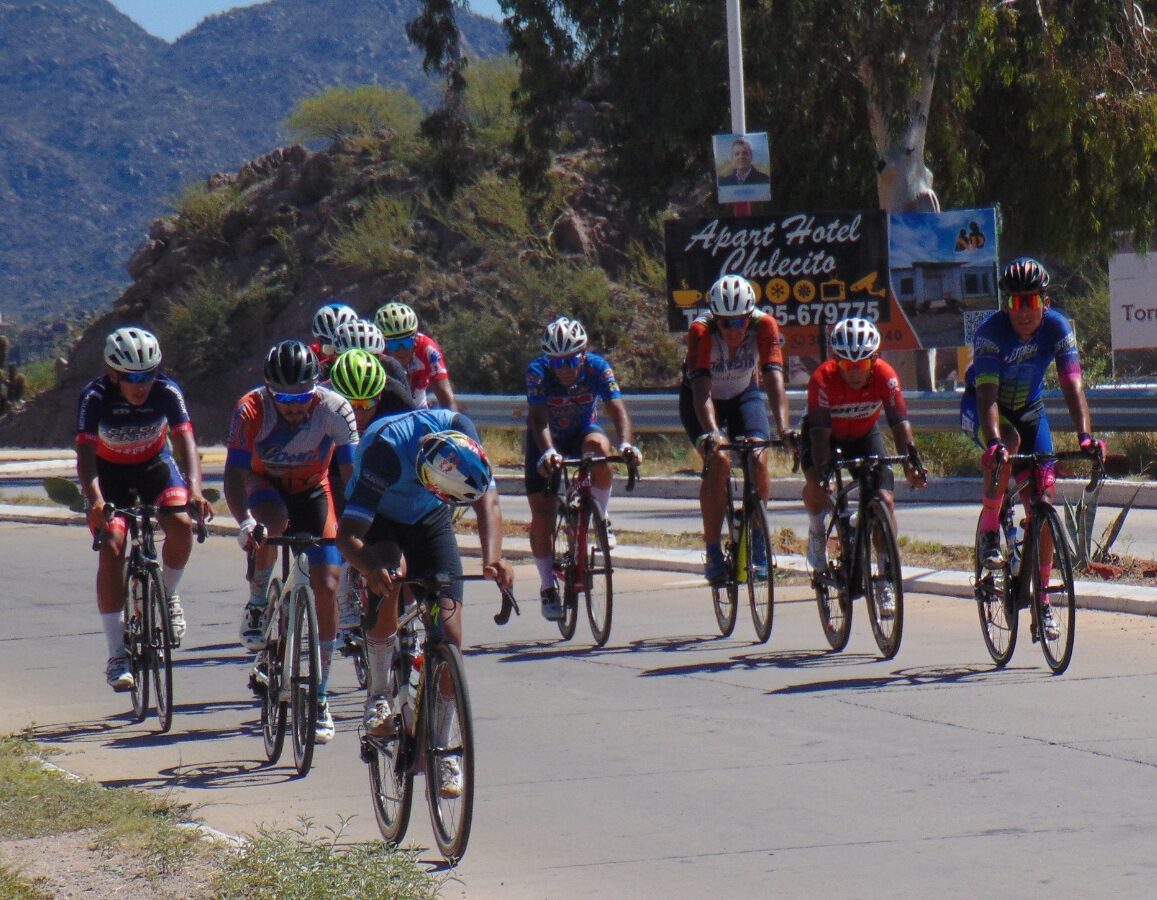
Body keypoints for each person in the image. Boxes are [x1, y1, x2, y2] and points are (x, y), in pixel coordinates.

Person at [337, 415, 514, 799]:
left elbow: (489, 502)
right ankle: (380, 693)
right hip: (378, 519)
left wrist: (494, 558)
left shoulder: (463, 432)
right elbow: (347, 535)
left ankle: (443, 746)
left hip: (429, 518)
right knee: (391, 575)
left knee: (450, 633)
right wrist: (369, 569)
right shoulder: (387, 451)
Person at [224, 339, 359, 744]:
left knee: (329, 585)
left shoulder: (335, 409)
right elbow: (233, 474)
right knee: (273, 525)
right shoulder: (250, 409)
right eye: (284, 397)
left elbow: (350, 476)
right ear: (269, 391)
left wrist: (361, 529)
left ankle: (319, 696)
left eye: (303, 395)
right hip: (265, 486)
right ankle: (259, 599)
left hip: (315, 489)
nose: (295, 405)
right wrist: (245, 521)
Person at [963, 257, 1103, 639]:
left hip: (1030, 410)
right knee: (1007, 443)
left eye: (1032, 302)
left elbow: (1073, 385)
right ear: (1005, 303)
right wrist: (992, 442)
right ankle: (991, 526)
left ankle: (1042, 601)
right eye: (1015, 302)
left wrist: (1085, 436)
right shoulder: (990, 332)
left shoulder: (1057, 327)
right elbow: (987, 394)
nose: (1023, 312)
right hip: (988, 410)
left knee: (1043, 501)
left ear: (1046, 300)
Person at [76, 327, 211, 690]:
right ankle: (116, 653)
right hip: (109, 475)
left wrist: (195, 490)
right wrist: (95, 500)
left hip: (156, 467)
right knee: (113, 545)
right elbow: (85, 456)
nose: (142, 384)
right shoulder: (95, 396)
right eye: (133, 377)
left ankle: (166, 595)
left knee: (180, 525)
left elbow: (186, 441)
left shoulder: (167, 390)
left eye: (148, 374)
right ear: (113, 374)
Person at [800, 318, 926, 615]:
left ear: (875, 359)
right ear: (836, 362)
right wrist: (824, 472)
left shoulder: (886, 375)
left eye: (861, 365)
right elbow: (818, 432)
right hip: (824, 437)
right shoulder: (821, 379)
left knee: (884, 500)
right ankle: (818, 534)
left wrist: (912, 462)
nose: (855, 373)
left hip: (864, 435)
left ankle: (884, 578)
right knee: (817, 486)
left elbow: (899, 423)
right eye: (847, 366)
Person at [525, 316, 642, 620]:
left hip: (582, 431)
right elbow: (538, 418)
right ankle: (548, 586)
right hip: (545, 436)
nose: (564, 368)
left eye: (571, 360)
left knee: (600, 451)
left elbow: (617, 408)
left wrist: (626, 444)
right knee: (542, 514)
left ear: (584, 353)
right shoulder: (538, 371)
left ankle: (600, 515)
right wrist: (548, 452)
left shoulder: (598, 367)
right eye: (557, 362)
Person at [679, 275, 793, 585]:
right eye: (726, 322)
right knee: (720, 460)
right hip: (702, 401)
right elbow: (701, 391)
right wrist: (713, 433)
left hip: (745, 394)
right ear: (715, 318)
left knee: (758, 457)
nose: (733, 329)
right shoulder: (701, 331)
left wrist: (783, 427)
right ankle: (714, 551)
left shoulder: (764, 326)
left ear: (750, 315)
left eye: (740, 321)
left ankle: (757, 539)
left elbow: (773, 378)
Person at [374, 300, 458, 410]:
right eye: (393, 344)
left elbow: (447, 399)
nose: (401, 350)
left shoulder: (427, 349)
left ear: (415, 338)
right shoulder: (377, 353)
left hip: (419, 407)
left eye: (406, 342)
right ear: (383, 343)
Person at [308, 301, 358, 375]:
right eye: (329, 348)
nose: (336, 357)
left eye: (344, 348)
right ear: (318, 343)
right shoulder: (310, 355)